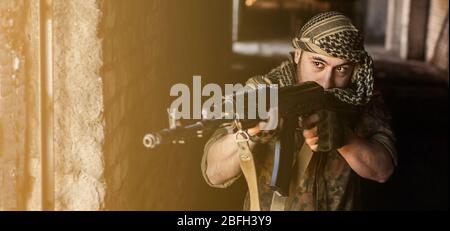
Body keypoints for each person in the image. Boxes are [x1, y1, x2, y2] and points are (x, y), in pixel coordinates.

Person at [201, 11, 397, 211]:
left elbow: (382, 170)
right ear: (297, 54)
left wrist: (343, 137)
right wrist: (250, 134)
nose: (326, 82)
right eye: (318, 64)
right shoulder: (263, 91)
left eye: (341, 70)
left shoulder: (360, 98)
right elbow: (214, 173)